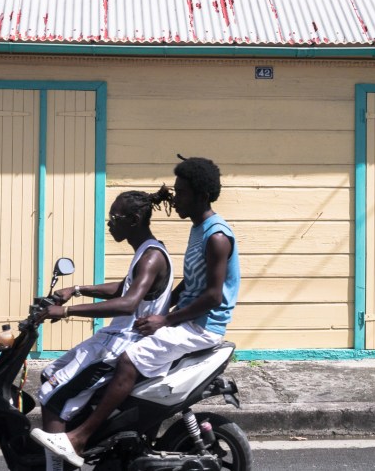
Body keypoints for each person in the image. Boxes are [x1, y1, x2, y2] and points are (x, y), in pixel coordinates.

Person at [32, 156, 240, 468]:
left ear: (199, 195)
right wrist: (162, 301)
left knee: (129, 359)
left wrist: (164, 319)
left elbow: (212, 295)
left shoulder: (217, 236)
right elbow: (192, 284)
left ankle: (79, 438)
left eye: (181, 192)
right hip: (189, 319)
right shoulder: (199, 230)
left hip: (203, 325)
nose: (175, 198)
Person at [32, 187, 175, 470]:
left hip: (122, 343)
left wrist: (68, 310)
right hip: (113, 339)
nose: (109, 223)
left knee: (52, 397)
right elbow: (124, 288)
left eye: (114, 217)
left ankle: (63, 461)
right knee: (50, 374)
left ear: (134, 220)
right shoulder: (147, 251)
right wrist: (77, 289)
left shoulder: (151, 257)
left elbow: (128, 302)